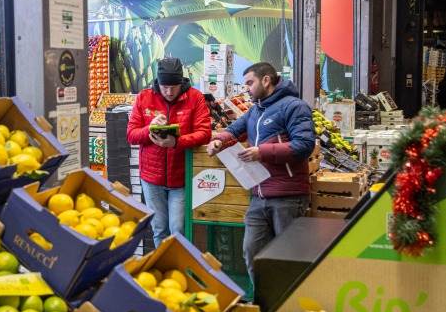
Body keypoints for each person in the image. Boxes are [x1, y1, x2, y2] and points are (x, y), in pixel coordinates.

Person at [206, 62, 315, 282]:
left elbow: (304, 144)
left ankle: (287, 309)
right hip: (258, 196)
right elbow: (234, 130)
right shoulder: (256, 110)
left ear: (266, 80)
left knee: (288, 260)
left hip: (288, 197)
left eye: (249, 82)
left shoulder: (294, 106)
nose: (246, 88)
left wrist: (262, 152)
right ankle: (262, 304)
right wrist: (218, 141)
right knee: (253, 254)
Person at [127, 57, 211, 247]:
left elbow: (205, 133)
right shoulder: (144, 97)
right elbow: (131, 135)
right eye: (165, 87)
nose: (169, 92)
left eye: (174, 86)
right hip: (151, 179)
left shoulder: (195, 98)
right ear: (158, 82)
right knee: (159, 228)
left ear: (181, 81)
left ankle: (180, 272)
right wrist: (149, 128)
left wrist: (177, 142)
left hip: (180, 178)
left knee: (178, 229)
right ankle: (164, 272)